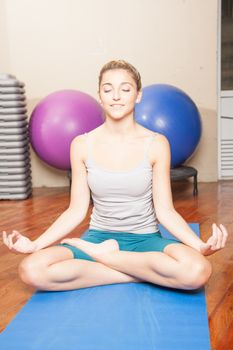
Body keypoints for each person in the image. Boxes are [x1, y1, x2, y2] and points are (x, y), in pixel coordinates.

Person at [2, 60, 228, 292]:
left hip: (145, 240)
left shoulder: (156, 143)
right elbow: (76, 210)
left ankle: (109, 259)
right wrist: (36, 243)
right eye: (108, 89)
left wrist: (199, 246)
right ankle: (137, 273)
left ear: (138, 95)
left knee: (197, 271)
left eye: (125, 89)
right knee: (31, 269)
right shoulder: (81, 144)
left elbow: (166, 211)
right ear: (100, 96)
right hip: (98, 239)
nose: (116, 96)